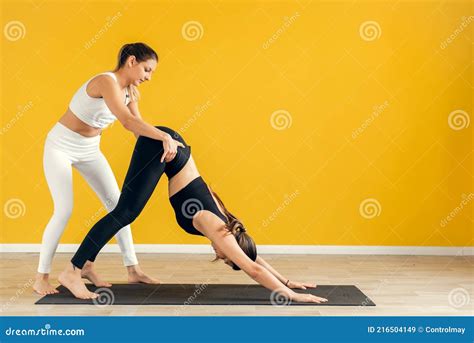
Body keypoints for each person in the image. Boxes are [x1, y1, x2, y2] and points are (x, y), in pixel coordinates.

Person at [58, 126, 328, 304]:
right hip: (168, 149)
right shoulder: (220, 231)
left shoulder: (231, 227)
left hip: (172, 149)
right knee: (125, 212)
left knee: (126, 210)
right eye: (226, 258)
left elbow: (254, 258)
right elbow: (253, 268)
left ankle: (90, 266)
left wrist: (289, 280)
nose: (222, 256)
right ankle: (73, 269)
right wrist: (291, 295)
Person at [34, 43, 185, 295]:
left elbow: (137, 126)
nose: (148, 77)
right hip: (60, 146)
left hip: (90, 149)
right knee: (63, 210)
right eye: (147, 70)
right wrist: (164, 137)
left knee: (120, 206)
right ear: (132, 61)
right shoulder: (106, 81)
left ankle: (132, 269)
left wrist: (159, 148)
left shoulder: (130, 92)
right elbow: (126, 122)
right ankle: (41, 278)